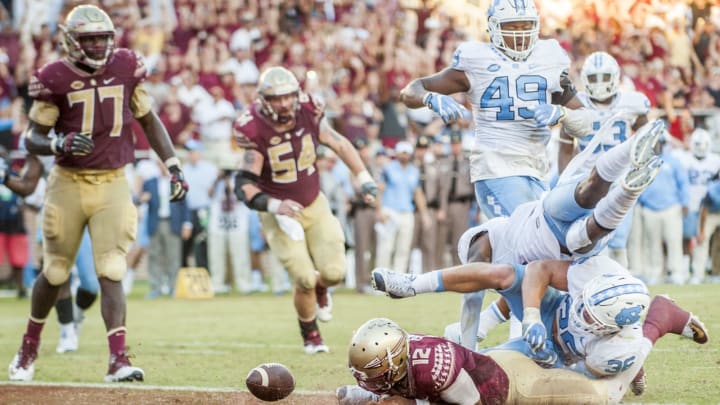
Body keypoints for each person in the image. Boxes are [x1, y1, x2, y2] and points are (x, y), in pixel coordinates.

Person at [8, 4, 188, 382]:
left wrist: (172, 165)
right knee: (56, 271)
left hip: (112, 181)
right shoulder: (54, 77)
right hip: (69, 183)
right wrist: (61, 141)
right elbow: (33, 137)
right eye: (88, 39)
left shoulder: (125, 67)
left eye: (101, 38)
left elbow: (148, 120)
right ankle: (28, 348)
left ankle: (118, 360)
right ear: (72, 41)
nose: (96, 46)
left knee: (112, 268)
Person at [399, 0, 595, 345]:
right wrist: (430, 99)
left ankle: (469, 333)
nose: (519, 35)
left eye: (524, 27)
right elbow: (410, 90)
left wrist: (562, 115)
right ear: (492, 30)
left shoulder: (550, 59)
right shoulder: (475, 61)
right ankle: (532, 337)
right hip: (496, 166)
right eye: (511, 28)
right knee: (534, 250)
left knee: (500, 251)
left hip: (537, 171)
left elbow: (589, 120)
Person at [374, 119, 664, 349]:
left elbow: (479, 284)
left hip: (552, 231)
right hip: (562, 241)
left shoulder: (496, 249)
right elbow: (503, 294)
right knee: (587, 212)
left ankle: (630, 171)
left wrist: (473, 335)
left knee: (587, 210)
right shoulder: (510, 264)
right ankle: (630, 175)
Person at [233, 66, 377, 353]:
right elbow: (244, 186)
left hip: (314, 202)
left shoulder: (310, 110)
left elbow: (338, 143)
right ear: (264, 100)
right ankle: (311, 335)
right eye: (277, 99)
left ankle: (322, 289)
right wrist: (275, 205)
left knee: (334, 272)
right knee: (303, 277)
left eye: (288, 97)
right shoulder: (253, 127)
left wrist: (364, 178)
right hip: (280, 213)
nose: (285, 104)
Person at [337, 304, 706, 405]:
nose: (368, 378)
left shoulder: (433, 371)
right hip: (496, 362)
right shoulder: (404, 351)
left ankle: (660, 319)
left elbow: (472, 404)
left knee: (606, 396)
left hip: (516, 387)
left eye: (373, 373)